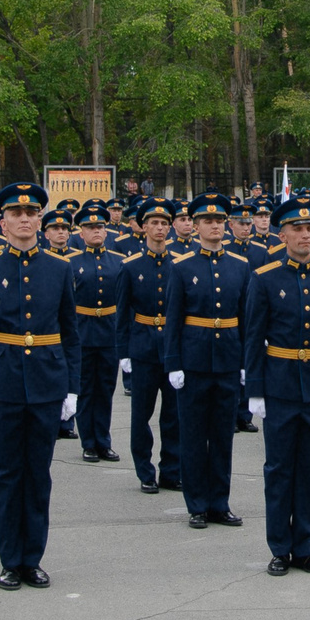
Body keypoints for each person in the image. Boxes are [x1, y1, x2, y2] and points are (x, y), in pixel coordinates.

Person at [0, 182, 78, 588]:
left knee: (38, 474)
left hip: (48, 382)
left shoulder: (60, 268)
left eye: (32, 213)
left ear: (40, 220)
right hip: (4, 383)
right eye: (16, 214)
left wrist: (72, 388)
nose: (25, 220)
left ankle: (33, 557)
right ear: (3, 222)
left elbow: (71, 334)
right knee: (7, 472)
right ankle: (10, 558)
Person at [243, 193, 310, 574]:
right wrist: (254, 389)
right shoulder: (265, 278)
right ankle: (279, 548)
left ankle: (305, 546)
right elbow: (254, 336)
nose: (306, 235)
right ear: (282, 234)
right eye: (297, 229)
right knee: (279, 469)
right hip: (280, 386)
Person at [163, 191, 251, 529]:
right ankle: (197, 504)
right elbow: (173, 318)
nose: (213, 226)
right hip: (193, 360)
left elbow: (246, 317)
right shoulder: (182, 266)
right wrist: (173, 363)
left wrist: (246, 361)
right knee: (194, 435)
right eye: (206, 221)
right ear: (195, 226)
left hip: (228, 359)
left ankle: (220, 502)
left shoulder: (240, 266)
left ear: (226, 225)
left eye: (218, 220)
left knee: (223, 435)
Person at [113, 199, 183, 497]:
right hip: (142, 345)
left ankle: (171, 470)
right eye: (154, 223)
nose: (160, 228)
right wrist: (124, 353)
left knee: (173, 414)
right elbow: (122, 311)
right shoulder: (130, 266)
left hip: (171, 346)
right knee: (141, 414)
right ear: (143, 227)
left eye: (164, 223)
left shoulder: (179, 263)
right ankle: (145, 471)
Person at [66, 201, 126, 463]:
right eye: (90, 227)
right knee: (85, 388)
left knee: (105, 388)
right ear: (81, 233)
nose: (96, 231)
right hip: (82, 331)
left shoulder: (119, 261)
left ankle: (104, 440)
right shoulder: (70, 262)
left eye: (100, 226)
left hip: (109, 332)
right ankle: (88, 441)